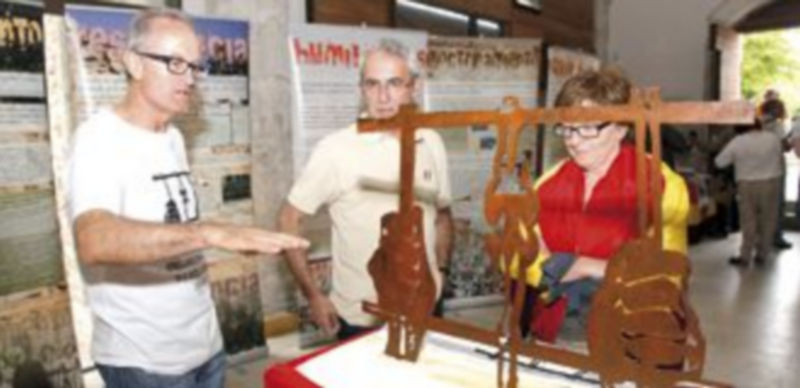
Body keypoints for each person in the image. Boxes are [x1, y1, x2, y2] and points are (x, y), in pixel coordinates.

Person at [67, 9, 308, 388]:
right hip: (145, 361)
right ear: (133, 63)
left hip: (204, 345)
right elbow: (94, 240)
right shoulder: (98, 138)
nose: (191, 78)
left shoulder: (173, 136)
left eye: (196, 65)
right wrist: (207, 233)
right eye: (175, 63)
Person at [278, 38, 453, 341]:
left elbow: (442, 216)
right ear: (362, 90)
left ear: (414, 87)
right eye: (372, 85)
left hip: (426, 308)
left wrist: (443, 272)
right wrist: (313, 295)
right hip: (364, 318)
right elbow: (288, 220)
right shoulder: (336, 150)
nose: (383, 96)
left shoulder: (431, 141)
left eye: (394, 83)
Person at [514, 69, 689, 342]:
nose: (572, 139)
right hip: (554, 329)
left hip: (629, 337)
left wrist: (578, 266)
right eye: (566, 127)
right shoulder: (547, 184)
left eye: (587, 127)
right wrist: (599, 268)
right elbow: (516, 257)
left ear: (620, 127)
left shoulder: (661, 185)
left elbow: (668, 275)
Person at [714, 123, 783, 267]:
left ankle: (745, 256)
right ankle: (762, 255)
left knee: (748, 220)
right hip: (771, 182)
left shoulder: (738, 141)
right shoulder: (773, 138)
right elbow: (780, 157)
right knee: (768, 219)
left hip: (746, 184)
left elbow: (719, 162)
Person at [758, 89, 792, 249]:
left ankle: (759, 237)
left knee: (761, 202)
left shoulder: (757, 123)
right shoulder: (777, 126)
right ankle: (776, 236)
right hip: (776, 166)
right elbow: (784, 146)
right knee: (777, 203)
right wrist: (790, 142)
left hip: (759, 166)